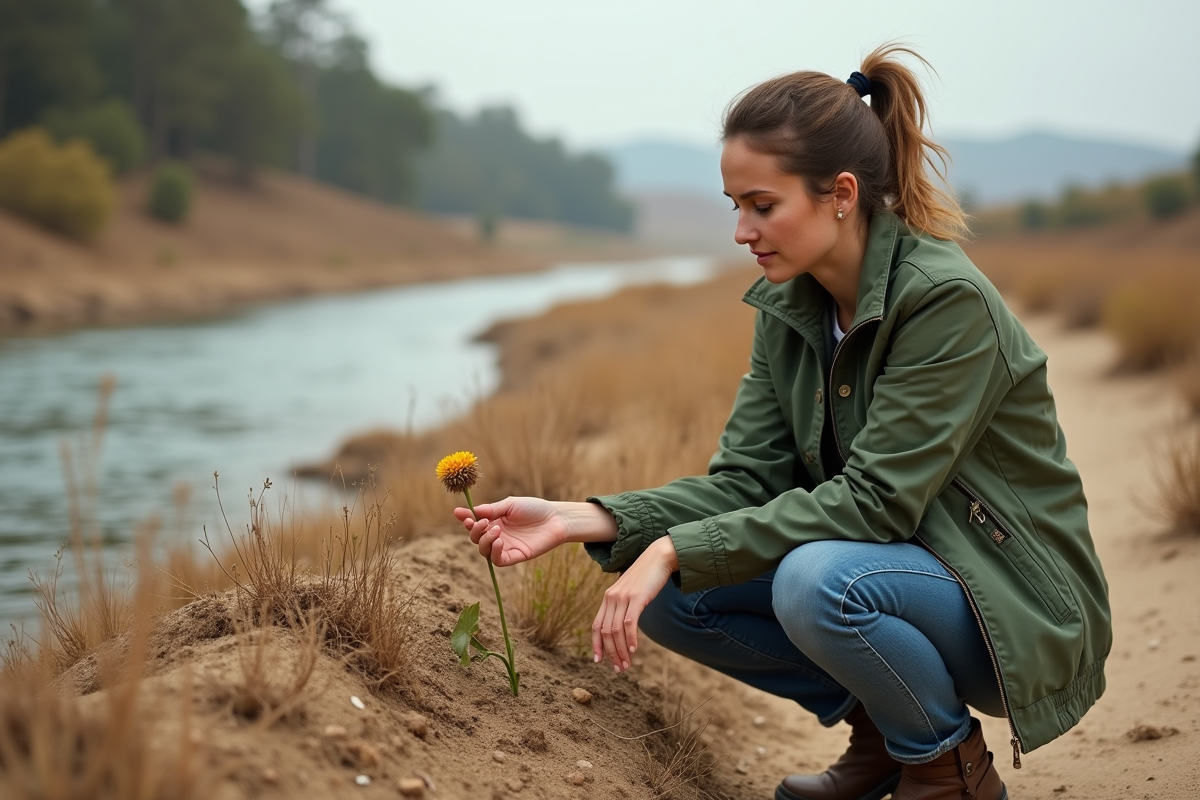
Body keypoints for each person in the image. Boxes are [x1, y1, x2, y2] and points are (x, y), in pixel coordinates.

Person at [454, 44, 1111, 800]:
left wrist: (673, 545)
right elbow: (746, 482)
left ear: (838, 193)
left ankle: (948, 770)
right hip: (902, 573)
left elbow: (875, 502)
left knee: (812, 582)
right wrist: (585, 518)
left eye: (762, 206)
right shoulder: (790, 304)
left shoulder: (943, 302)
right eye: (735, 205)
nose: (742, 230)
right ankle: (887, 738)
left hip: (1012, 601)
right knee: (675, 590)